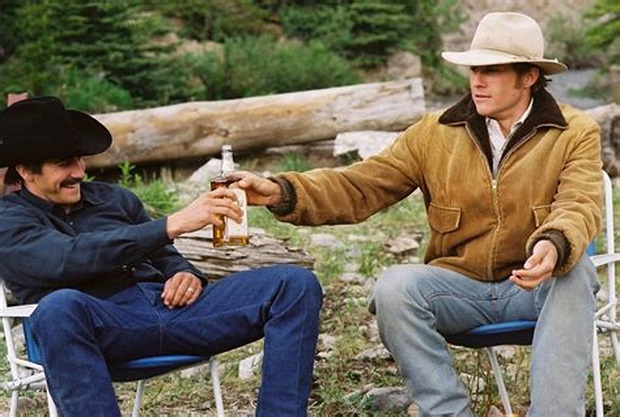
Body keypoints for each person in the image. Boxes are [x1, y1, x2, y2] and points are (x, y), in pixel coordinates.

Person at [234, 11, 603, 417]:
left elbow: (579, 202)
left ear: (529, 76)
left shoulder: (575, 131)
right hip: (460, 289)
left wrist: (553, 245)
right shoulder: (434, 133)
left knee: (575, 272)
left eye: (491, 71)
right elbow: (361, 185)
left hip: (533, 288)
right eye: (474, 70)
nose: (477, 81)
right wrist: (282, 191)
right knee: (394, 288)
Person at [0, 96, 323, 417]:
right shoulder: (9, 219)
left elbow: (164, 255)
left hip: (176, 313)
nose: (79, 172)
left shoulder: (114, 199)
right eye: (64, 164)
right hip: (102, 327)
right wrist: (172, 224)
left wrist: (185, 274)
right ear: (26, 171)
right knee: (58, 307)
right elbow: (66, 258)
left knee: (294, 284)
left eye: (80, 160)